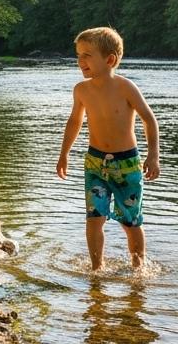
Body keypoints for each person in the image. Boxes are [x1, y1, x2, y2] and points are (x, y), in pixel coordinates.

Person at [55, 26, 160, 270]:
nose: (80, 61)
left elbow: (149, 119)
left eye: (87, 55)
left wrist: (153, 155)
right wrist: (64, 154)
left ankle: (138, 269)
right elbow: (74, 122)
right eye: (78, 55)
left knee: (130, 221)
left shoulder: (125, 87)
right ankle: (96, 269)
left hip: (127, 164)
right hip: (95, 163)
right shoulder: (81, 90)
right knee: (94, 218)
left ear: (110, 59)